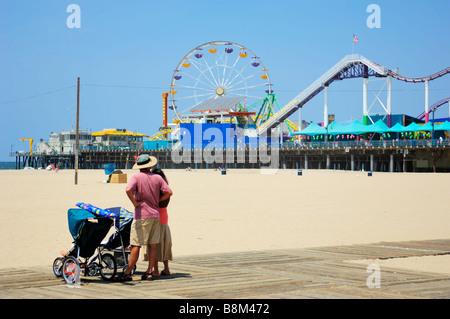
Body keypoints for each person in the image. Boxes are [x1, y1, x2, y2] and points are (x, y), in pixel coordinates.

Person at [114, 154, 173, 282]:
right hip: (155, 215)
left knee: (136, 245)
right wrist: (157, 201)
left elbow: (128, 189)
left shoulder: (136, 177)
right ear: (150, 165)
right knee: (153, 245)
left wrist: (135, 203)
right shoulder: (158, 177)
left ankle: (128, 273)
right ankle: (149, 272)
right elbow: (169, 192)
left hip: (142, 215)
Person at [149, 168, 173, 276]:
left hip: (155, 218)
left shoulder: (156, 190)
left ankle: (155, 270)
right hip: (164, 218)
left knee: (154, 245)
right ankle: (166, 268)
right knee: (164, 245)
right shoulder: (165, 188)